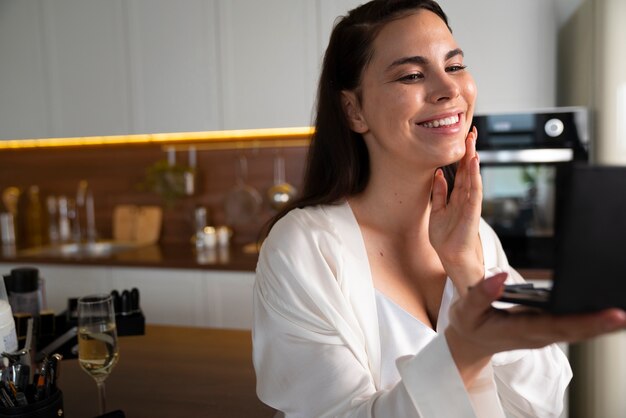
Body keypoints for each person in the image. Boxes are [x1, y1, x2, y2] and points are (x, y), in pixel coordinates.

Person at [252, 1, 626, 417]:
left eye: (455, 65)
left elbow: (541, 404)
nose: (449, 90)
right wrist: (463, 352)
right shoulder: (304, 248)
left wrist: (468, 271)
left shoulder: (474, 236)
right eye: (412, 75)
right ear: (353, 110)